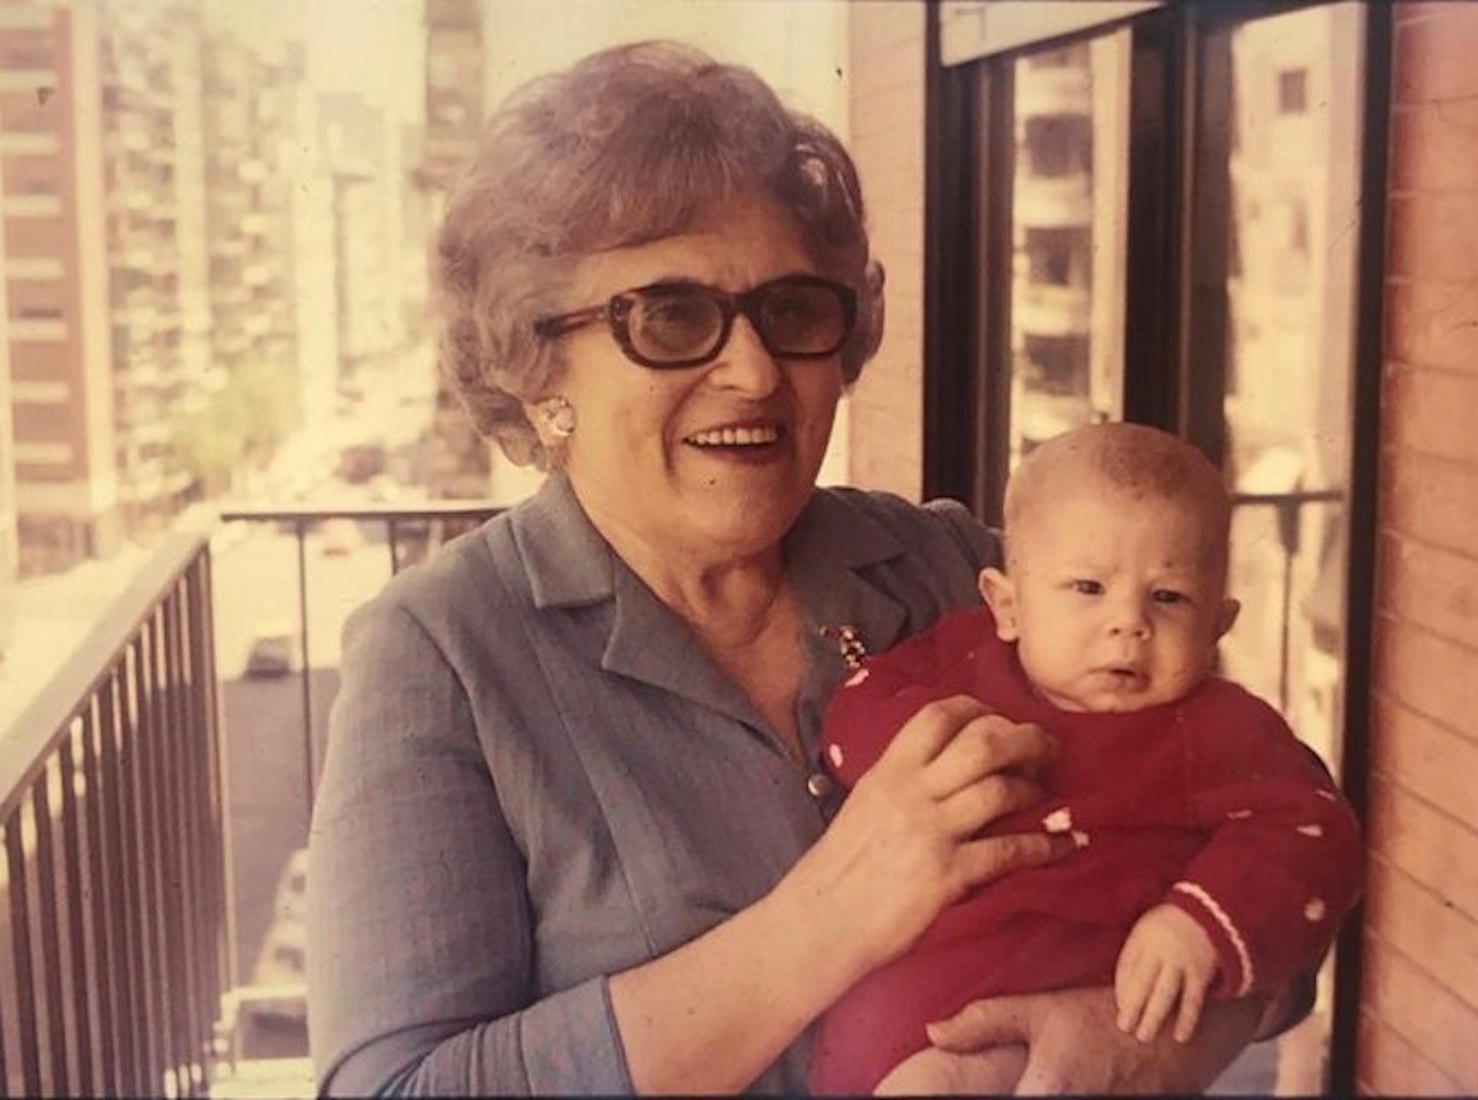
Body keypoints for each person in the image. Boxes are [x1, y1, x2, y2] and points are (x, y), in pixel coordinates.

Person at [307, 41, 1297, 1095]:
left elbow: (1268, 867)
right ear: (540, 369)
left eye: (791, 310)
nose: (751, 371)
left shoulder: (956, 568)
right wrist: (831, 911)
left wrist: (1130, 1036)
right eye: (671, 317)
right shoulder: (443, 653)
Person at [808, 423, 1363, 1095]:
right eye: (1088, 588)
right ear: (1006, 606)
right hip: (885, 1012)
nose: (1129, 623)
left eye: (1168, 597)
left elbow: (1310, 837)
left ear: (1216, 626)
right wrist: (915, 754)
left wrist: (1200, 920)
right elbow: (862, 703)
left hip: (1032, 1038)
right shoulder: (962, 663)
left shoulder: (1215, 731)